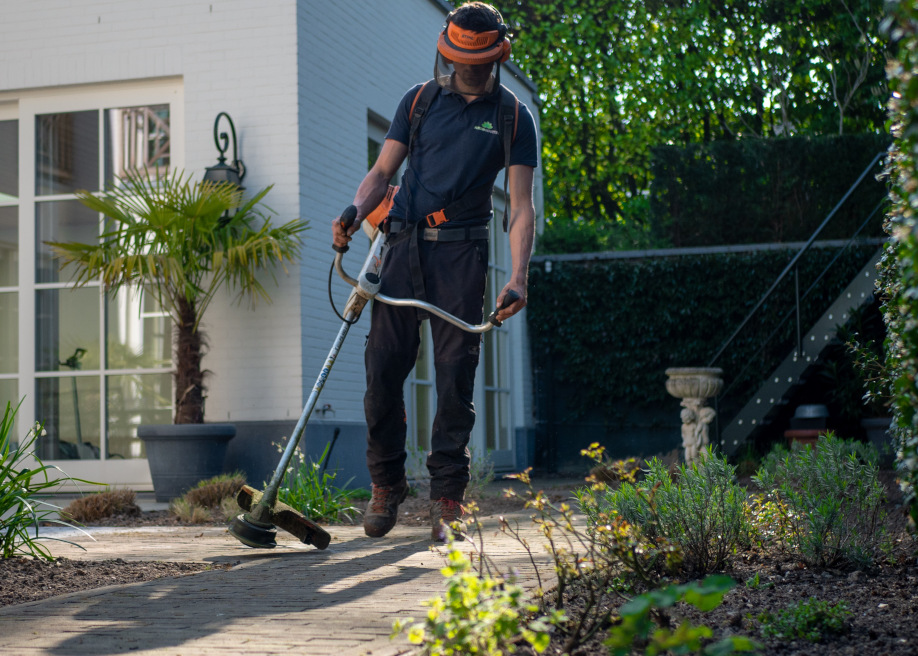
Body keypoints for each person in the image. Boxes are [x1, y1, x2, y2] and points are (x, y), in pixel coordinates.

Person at [332, 1, 538, 542]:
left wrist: (518, 276)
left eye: (472, 62)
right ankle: (387, 486)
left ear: (496, 56)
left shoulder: (514, 116)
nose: (461, 69)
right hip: (399, 251)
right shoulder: (419, 101)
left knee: (454, 383)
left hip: (460, 259)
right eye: (453, 59)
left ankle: (447, 501)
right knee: (381, 376)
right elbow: (382, 172)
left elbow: (520, 207)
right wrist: (355, 212)